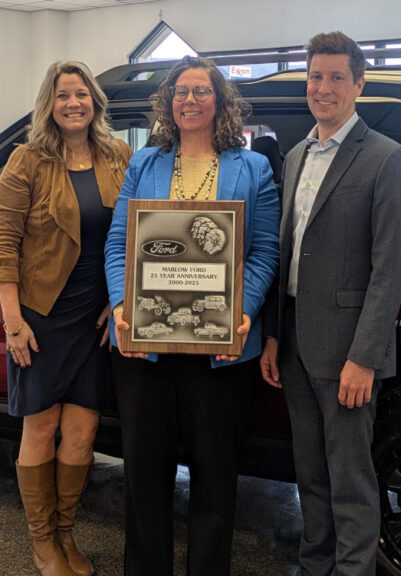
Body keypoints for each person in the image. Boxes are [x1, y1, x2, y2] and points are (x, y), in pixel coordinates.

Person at [104, 56, 280, 576]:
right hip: (145, 345)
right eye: (181, 91)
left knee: (215, 475)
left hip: (221, 348)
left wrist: (243, 311)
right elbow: (120, 242)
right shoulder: (145, 164)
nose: (191, 100)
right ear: (168, 102)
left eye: (202, 91)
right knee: (144, 474)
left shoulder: (253, 168)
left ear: (220, 101)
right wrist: (120, 306)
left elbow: (265, 249)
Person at [259, 32, 401, 576]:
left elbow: (389, 269)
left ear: (358, 84)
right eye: (315, 77)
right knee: (310, 472)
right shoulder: (298, 155)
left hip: (348, 349)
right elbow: (287, 257)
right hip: (297, 343)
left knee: (350, 477)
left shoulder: (387, 159)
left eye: (335, 78)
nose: (322, 89)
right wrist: (275, 336)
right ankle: (315, 565)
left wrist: (366, 357)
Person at [0, 60, 132, 576]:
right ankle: (42, 542)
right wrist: (13, 323)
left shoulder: (118, 156)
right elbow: (1, 246)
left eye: (81, 94)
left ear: (94, 101)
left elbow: (134, 236)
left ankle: (66, 534)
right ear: (49, 104)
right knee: (42, 425)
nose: (74, 103)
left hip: (95, 318)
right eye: (63, 95)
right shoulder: (26, 161)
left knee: (82, 432)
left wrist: (116, 302)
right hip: (41, 317)